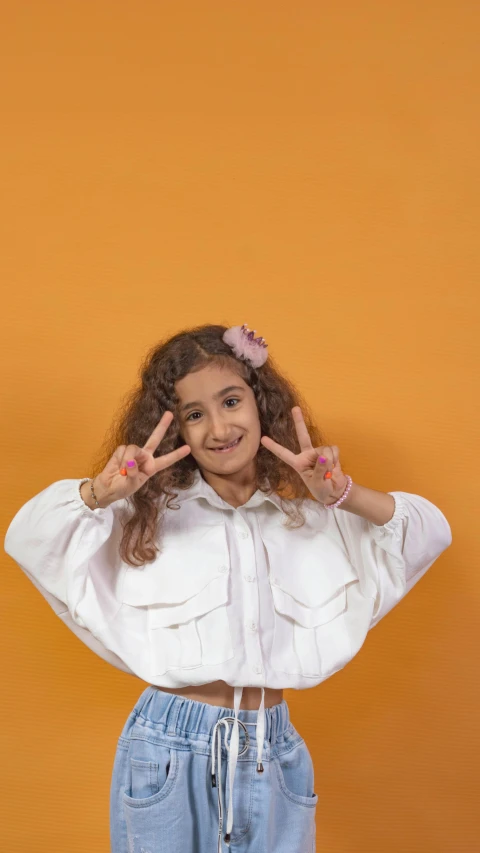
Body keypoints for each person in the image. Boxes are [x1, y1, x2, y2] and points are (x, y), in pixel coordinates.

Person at [4, 322, 452, 853]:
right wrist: (102, 492)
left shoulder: (312, 522)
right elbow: (29, 536)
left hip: (273, 750)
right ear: (178, 433)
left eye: (231, 401)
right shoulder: (146, 519)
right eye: (195, 415)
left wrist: (344, 493)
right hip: (168, 749)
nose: (218, 428)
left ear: (261, 404)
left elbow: (429, 531)